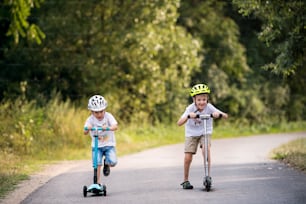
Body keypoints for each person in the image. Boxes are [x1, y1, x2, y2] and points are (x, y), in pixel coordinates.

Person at [177, 83, 228, 189]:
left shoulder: (209, 107)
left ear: (207, 99)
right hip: (191, 134)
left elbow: (225, 116)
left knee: (206, 150)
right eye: (199, 100)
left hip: (205, 132)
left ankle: (207, 176)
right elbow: (179, 123)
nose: (202, 102)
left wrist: (218, 114)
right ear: (194, 100)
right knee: (188, 157)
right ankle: (185, 180)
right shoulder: (190, 108)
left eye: (204, 99)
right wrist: (188, 116)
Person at [84, 95, 118, 185]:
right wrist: (88, 128)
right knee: (97, 164)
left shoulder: (108, 116)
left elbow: (115, 126)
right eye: (96, 112)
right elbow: (85, 131)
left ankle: (107, 163)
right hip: (96, 146)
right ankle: (97, 183)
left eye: (101, 112)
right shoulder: (90, 119)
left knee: (113, 162)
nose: (99, 114)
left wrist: (108, 128)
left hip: (109, 145)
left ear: (105, 109)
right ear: (91, 111)